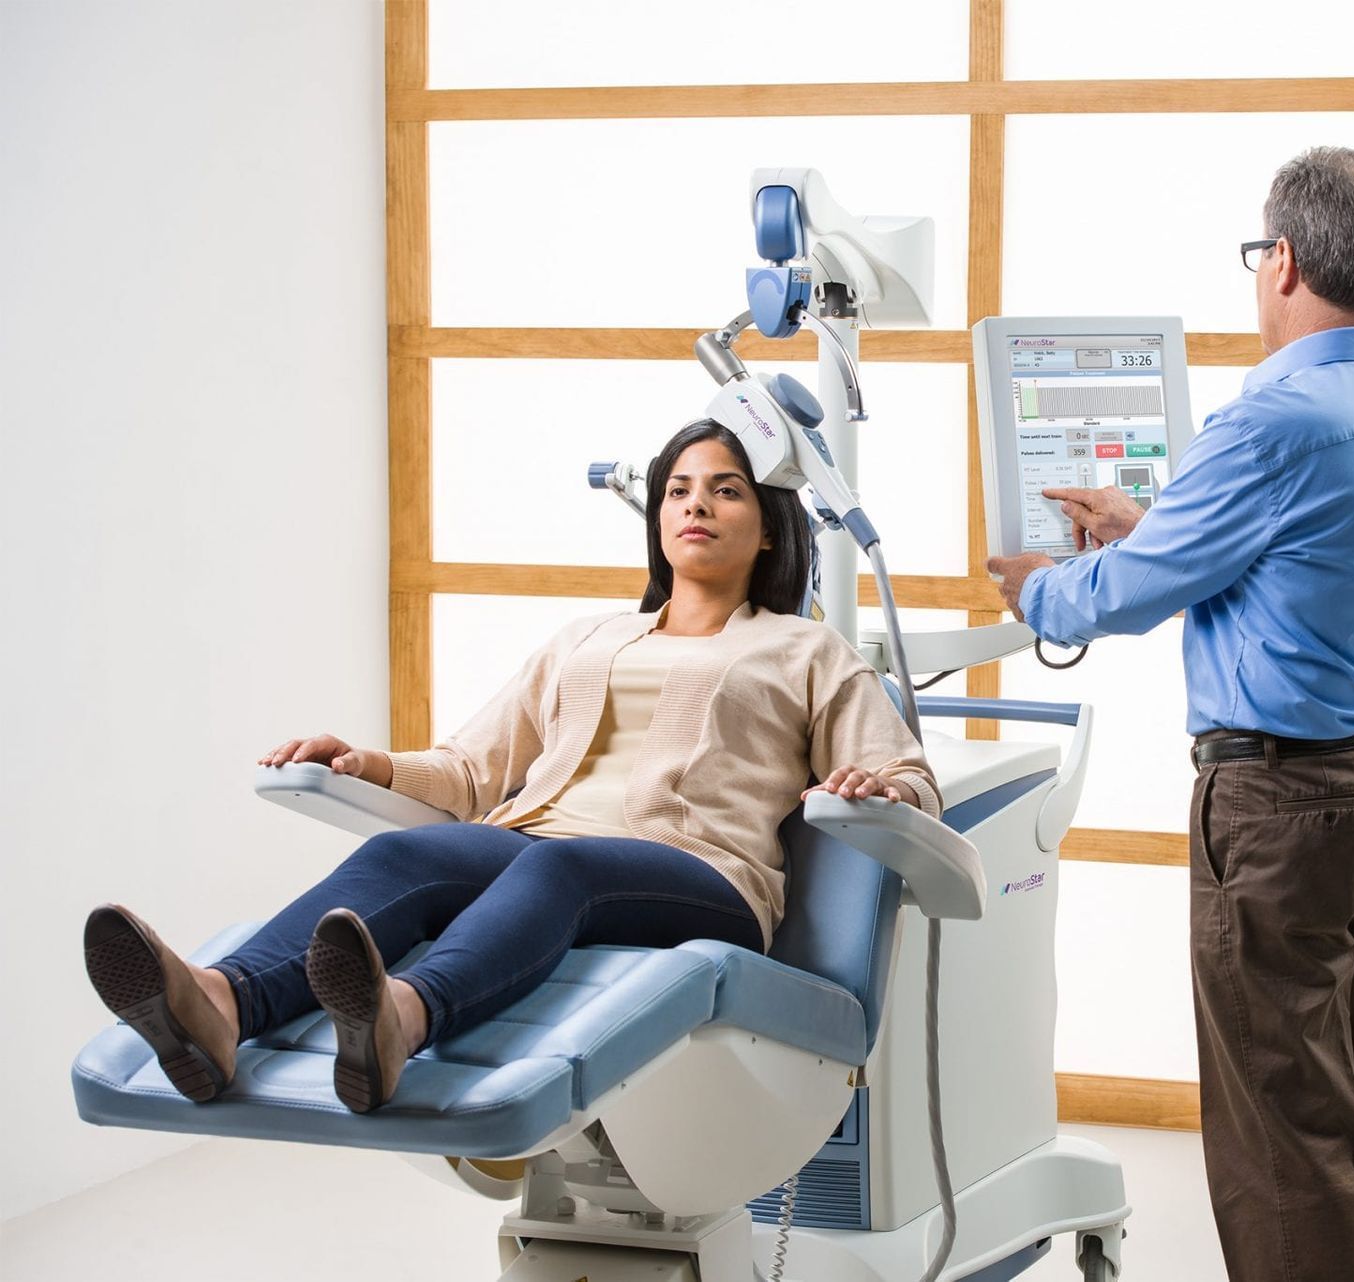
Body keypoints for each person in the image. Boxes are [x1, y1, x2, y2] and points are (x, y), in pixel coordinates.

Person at [83, 420, 939, 1114]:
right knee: (404, 857)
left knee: (560, 864)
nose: (696, 506)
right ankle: (221, 1004)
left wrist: (881, 785)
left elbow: (904, 775)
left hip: (700, 877)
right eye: (678, 489)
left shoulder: (804, 649)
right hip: (540, 847)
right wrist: (366, 761)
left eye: (726, 490)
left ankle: (401, 1016)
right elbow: (468, 770)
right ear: (657, 518)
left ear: (767, 527)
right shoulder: (587, 639)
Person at [987, 147, 1354, 1282]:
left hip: (1283, 804)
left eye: (1263, 255)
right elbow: (1314, 560)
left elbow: (1120, 597)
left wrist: (1040, 586)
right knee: (1353, 1111)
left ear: (1287, 263)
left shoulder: (1274, 421)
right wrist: (1150, 520)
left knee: (1280, 1139)